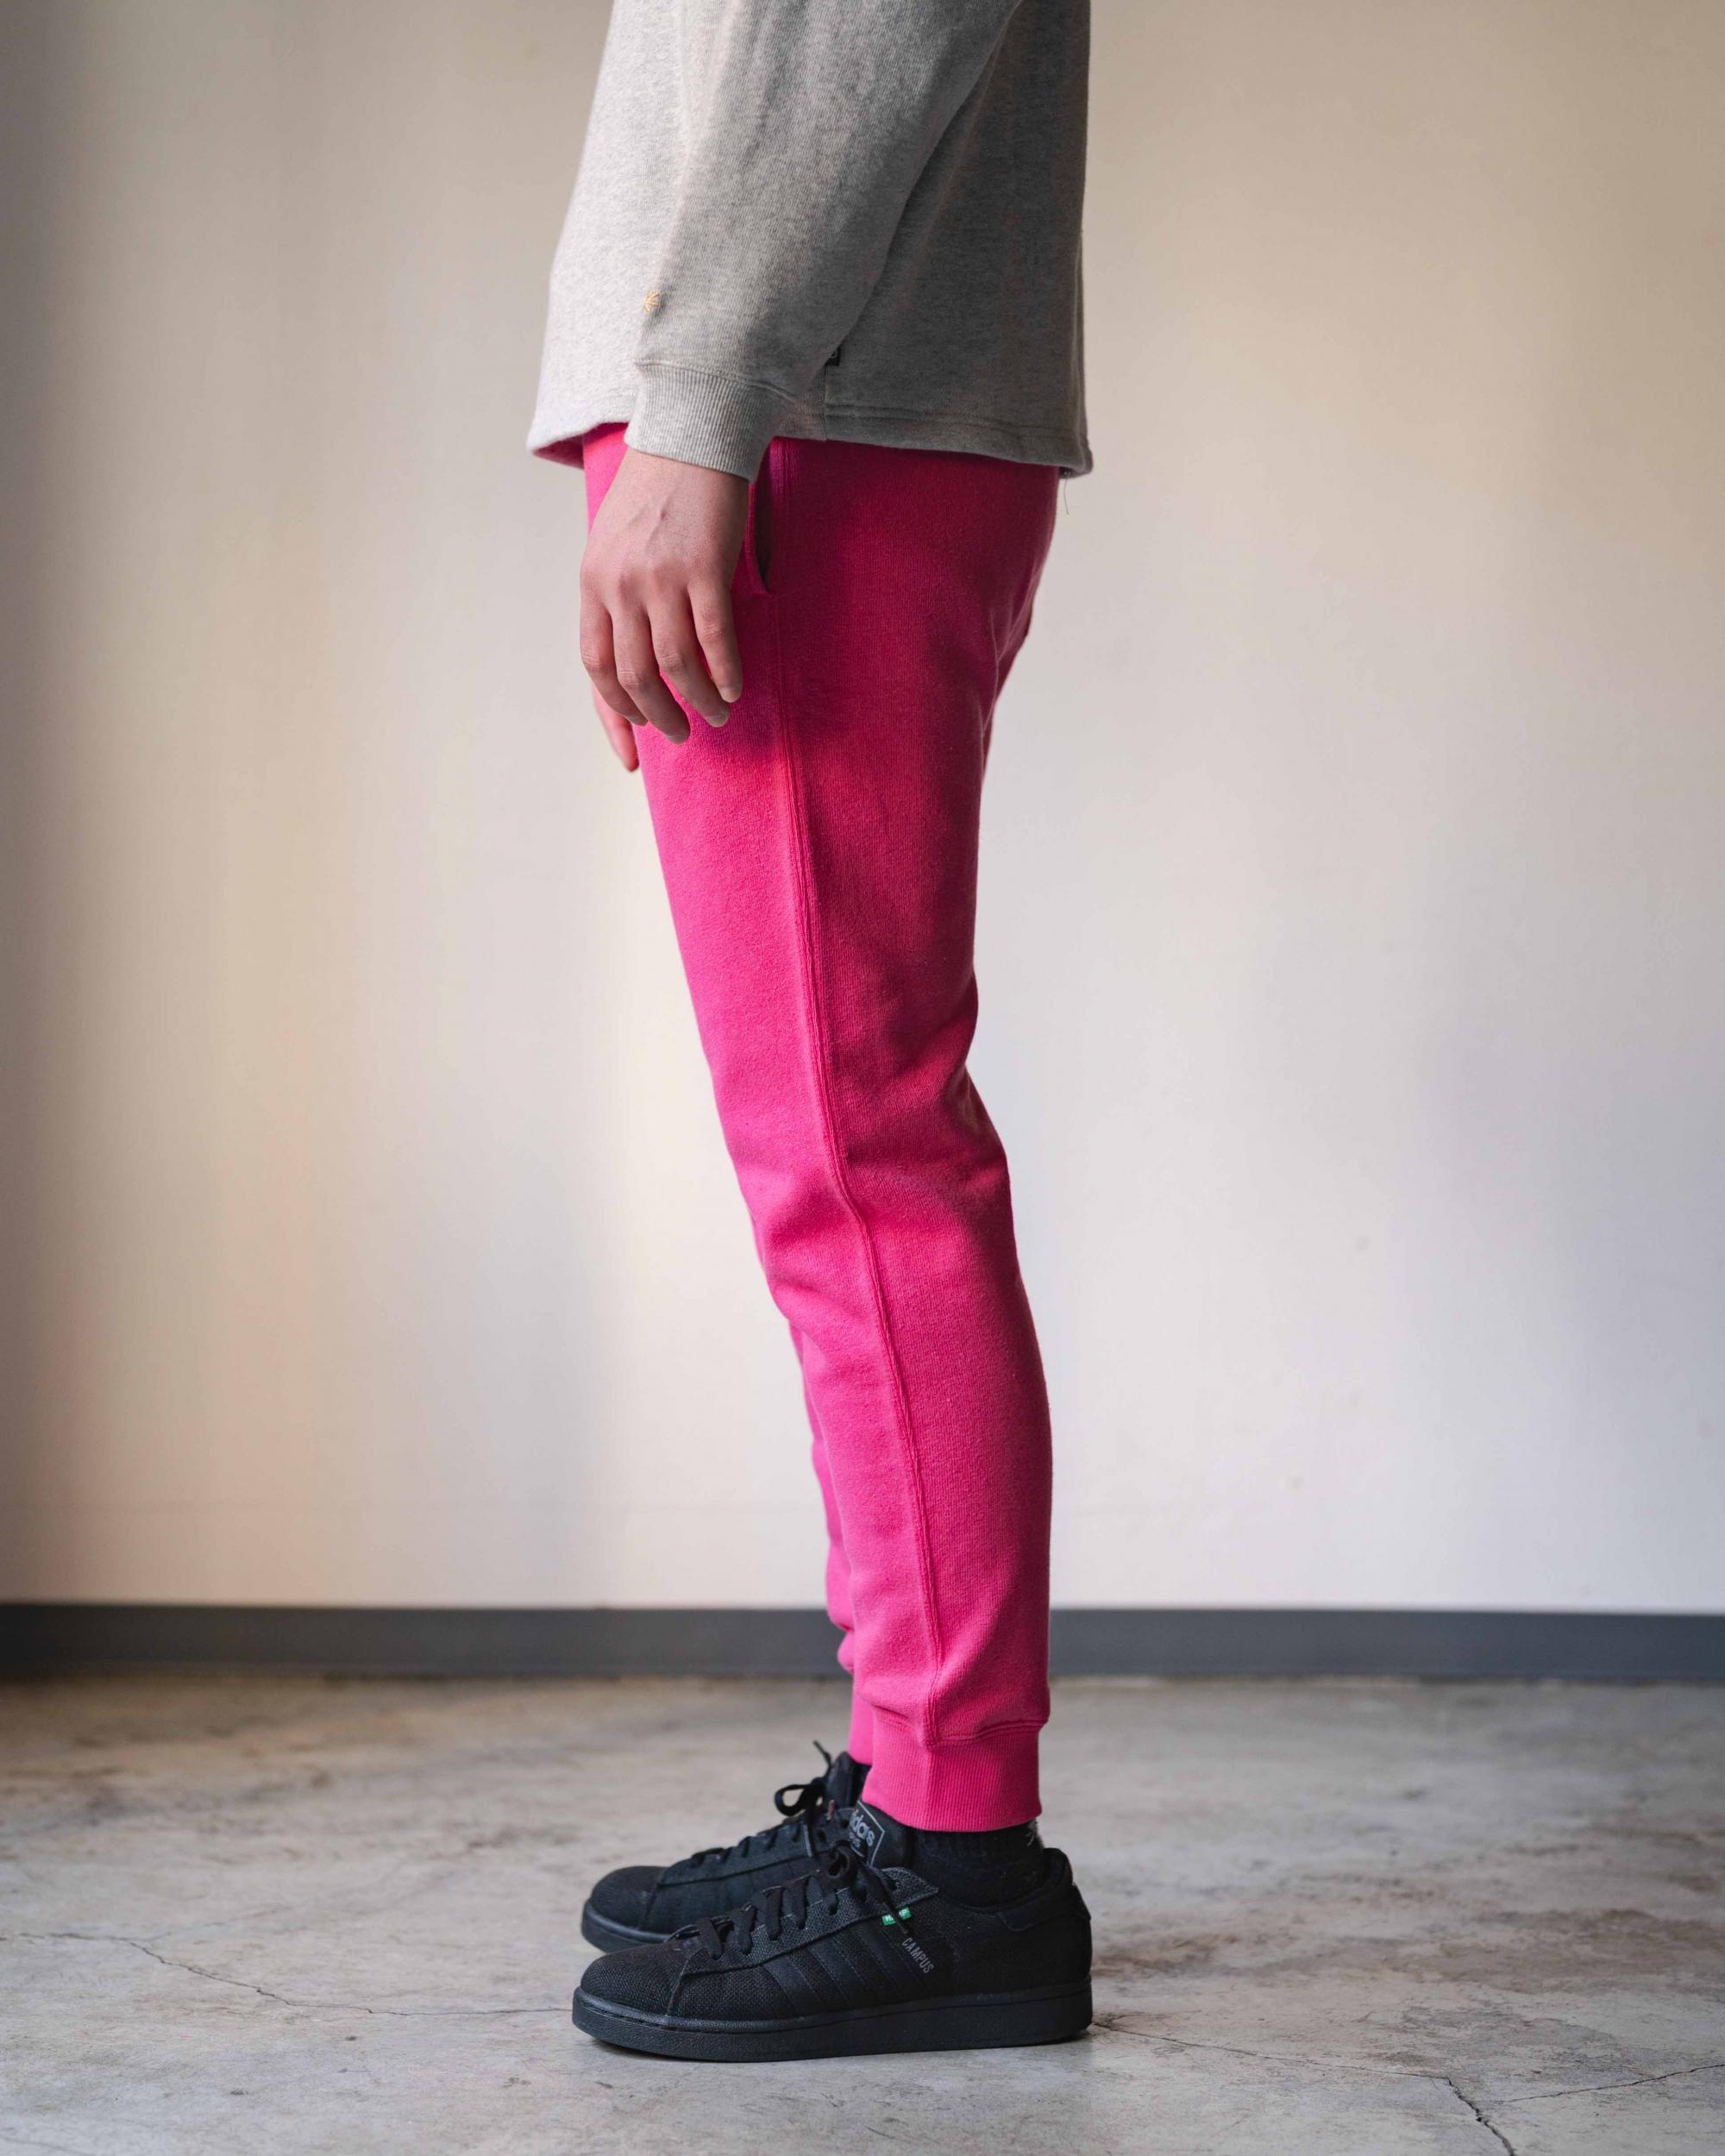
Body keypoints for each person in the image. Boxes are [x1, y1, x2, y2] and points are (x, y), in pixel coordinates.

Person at [530, 0, 1093, 2061]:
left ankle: (954, 1861)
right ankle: (909, 1787)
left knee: (855, 1160)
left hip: (800, 418)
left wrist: (698, 405)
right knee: (847, 1149)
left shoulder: (752, 405)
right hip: (814, 400)